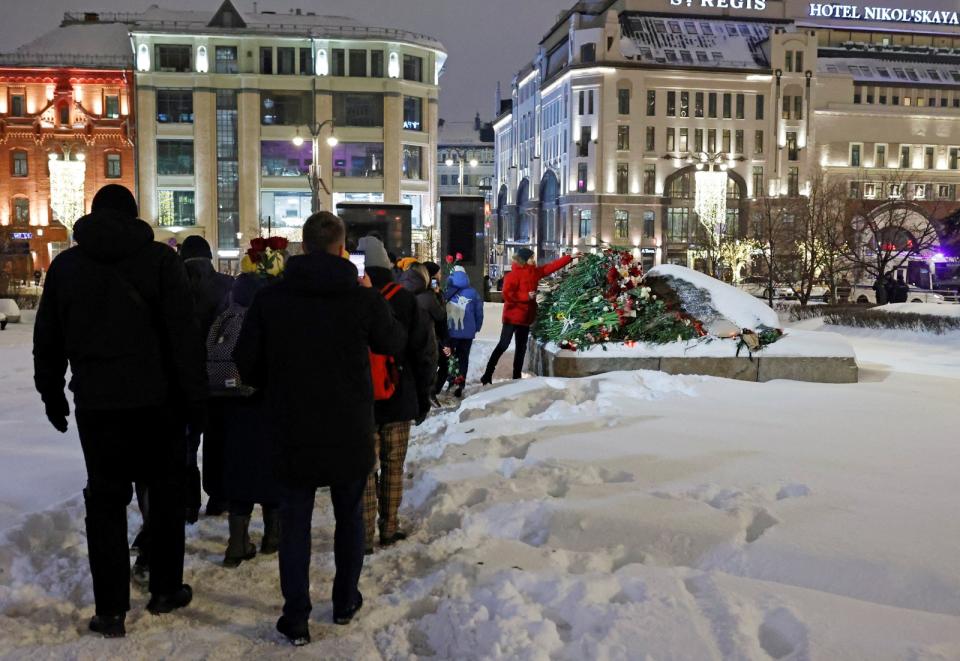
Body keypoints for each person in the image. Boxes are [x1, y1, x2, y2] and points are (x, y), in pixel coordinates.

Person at [33, 184, 203, 639]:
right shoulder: (162, 262)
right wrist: (194, 402)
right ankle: (166, 589)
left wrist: (51, 395)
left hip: (98, 404)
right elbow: (183, 339)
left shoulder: (66, 266)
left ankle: (110, 610)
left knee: (105, 501)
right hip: (158, 404)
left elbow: (47, 341)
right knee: (164, 496)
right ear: (132, 216)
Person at [235, 213, 406, 646]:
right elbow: (392, 343)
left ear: (303, 246)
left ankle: (296, 616)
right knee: (349, 514)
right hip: (348, 426)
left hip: (291, 425)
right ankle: (345, 600)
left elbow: (246, 361)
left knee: (295, 522)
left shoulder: (272, 299)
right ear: (341, 246)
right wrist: (375, 300)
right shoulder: (360, 299)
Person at [358, 238, 434, 555]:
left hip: (362, 401)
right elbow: (425, 352)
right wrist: (423, 395)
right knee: (393, 467)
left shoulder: (353, 299)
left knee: (365, 470)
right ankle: (389, 527)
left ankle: (361, 536)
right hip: (399, 397)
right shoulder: (405, 300)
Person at [206, 273, 282, 567]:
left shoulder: (224, 317)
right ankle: (273, 536)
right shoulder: (263, 319)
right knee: (268, 466)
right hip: (258, 401)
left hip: (223, 405)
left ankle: (237, 542)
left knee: (236, 469)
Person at [180, 235, 233, 522]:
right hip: (220, 379)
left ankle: (188, 503)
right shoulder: (227, 286)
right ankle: (219, 497)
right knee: (218, 440)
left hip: (185, 379)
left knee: (187, 442)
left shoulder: (174, 286)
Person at [481, 248, 572, 384]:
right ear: (524, 259)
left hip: (525, 318)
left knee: (521, 348)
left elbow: (550, 267)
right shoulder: (512, 275)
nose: (533, 260)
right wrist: (525, 296)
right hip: (512, 317)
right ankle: (487, 374)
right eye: (531, 258)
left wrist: (569, 258)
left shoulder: (534, 273)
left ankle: (516, 376)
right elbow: (507, 295)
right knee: (503, 345)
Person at [444, 267, 484, 398]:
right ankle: (460, 384)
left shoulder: (447, 292)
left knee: (452, 357)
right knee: (463, 357)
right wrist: (476, 327)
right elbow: (479, 313)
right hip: (467, 333)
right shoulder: (473, 293)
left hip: (451, 331)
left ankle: (451, 381)